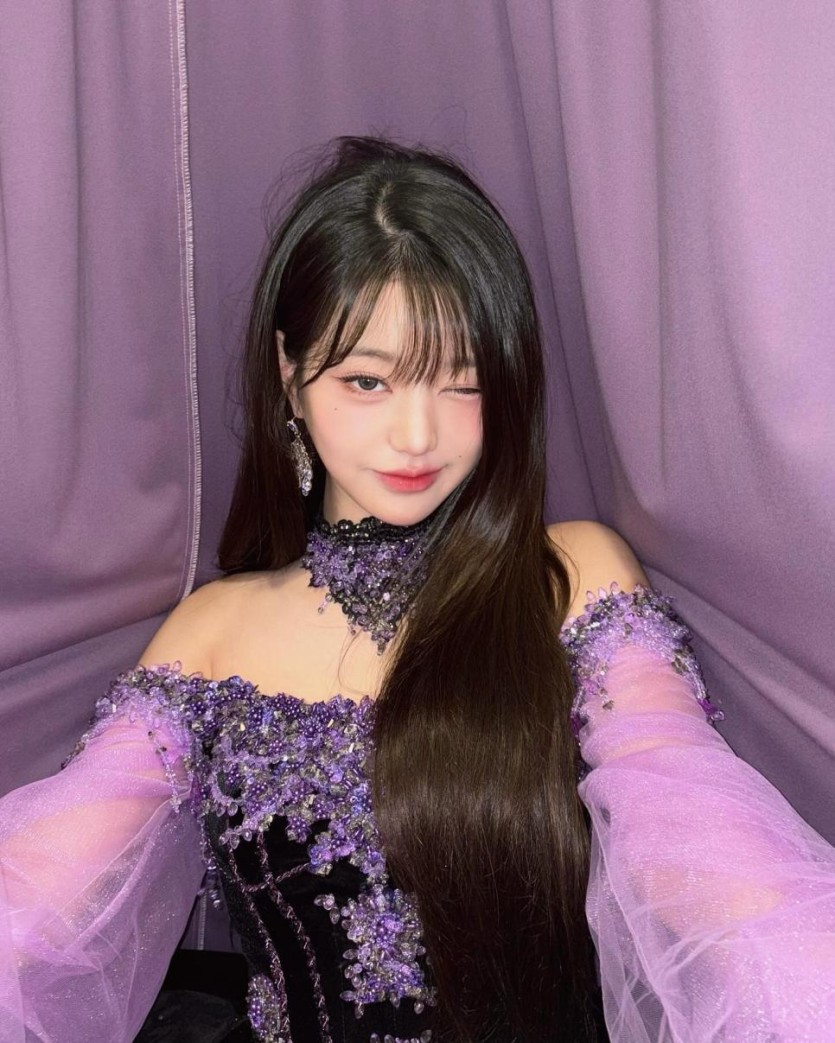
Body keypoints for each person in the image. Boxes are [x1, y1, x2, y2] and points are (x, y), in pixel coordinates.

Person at [1, 136, 833, 1043]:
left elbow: (698, 841)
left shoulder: (571, 580)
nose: (416, 434)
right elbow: (43, 893)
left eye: (459, 382)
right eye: (367, 380)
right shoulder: (212, 631)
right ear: (289, 375)